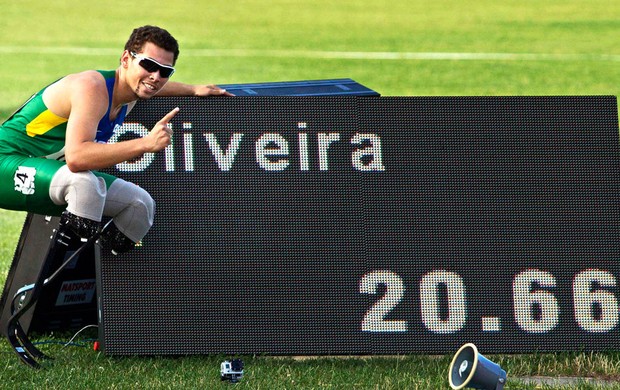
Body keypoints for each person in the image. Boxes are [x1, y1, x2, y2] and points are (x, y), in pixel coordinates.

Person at [0, 25, 232, 254]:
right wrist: (144, 143)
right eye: (149, 65)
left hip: (42, 170)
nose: (155, 77)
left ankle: (104, 287)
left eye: (165, 71)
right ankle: (52, 285)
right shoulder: (91, 87)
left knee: (139, 206)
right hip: (6, 162)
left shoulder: (132, 90)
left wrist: (193, 90)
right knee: (85, 185)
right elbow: (77, 158)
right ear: (125, 59)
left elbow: (152, 85)